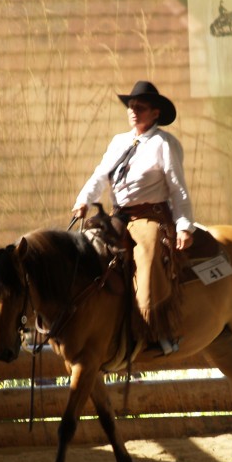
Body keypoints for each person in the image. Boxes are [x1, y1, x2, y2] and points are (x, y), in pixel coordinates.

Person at [72, 81, 194, 354]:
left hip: (151, 217)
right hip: (118, 215)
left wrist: (184, 226)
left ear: (155, 114)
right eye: (131, 106)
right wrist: (84, 201)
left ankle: (155, 331)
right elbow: (100, 175)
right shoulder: (119, 142)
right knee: (88, 249)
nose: (134, 111)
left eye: (141, 107)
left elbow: (178, 188)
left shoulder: (164, 144)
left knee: (148, 258)